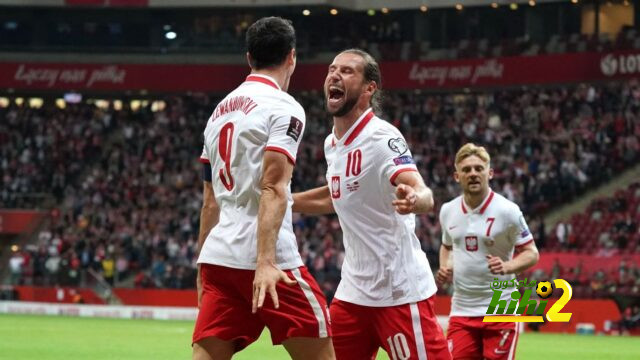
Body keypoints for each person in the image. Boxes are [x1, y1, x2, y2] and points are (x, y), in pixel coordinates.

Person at [293, 49, 451, 360]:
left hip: (399, 292)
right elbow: (337, 194)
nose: (336, 75)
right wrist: (282, 201)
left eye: (348, 71)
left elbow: (422, 192)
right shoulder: (332, 143)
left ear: (370, 88)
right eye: (332, 69)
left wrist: (415, 199)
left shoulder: (381, 137)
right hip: (353, 292)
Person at [192, 17, 334, 360]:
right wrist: (266, 261)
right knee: (321, 351)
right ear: (292, 57)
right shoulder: (284, 107)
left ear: (249, 58)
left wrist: (201, 262)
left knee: (208, 354)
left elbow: (210, 201)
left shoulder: (218, 113)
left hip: (219, 255)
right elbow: (273, 186)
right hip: (266, 257)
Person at [437, 143, 540, 360]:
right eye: (466, 170)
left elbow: (532, 253)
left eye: (478, 168)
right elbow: (447, 247)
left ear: (489, 173)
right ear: (457, 176)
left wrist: (507, 266)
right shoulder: (448, 211)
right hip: (462, 309)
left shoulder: (508, 211)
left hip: (500, 306)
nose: (473, 174)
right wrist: (445, 267)